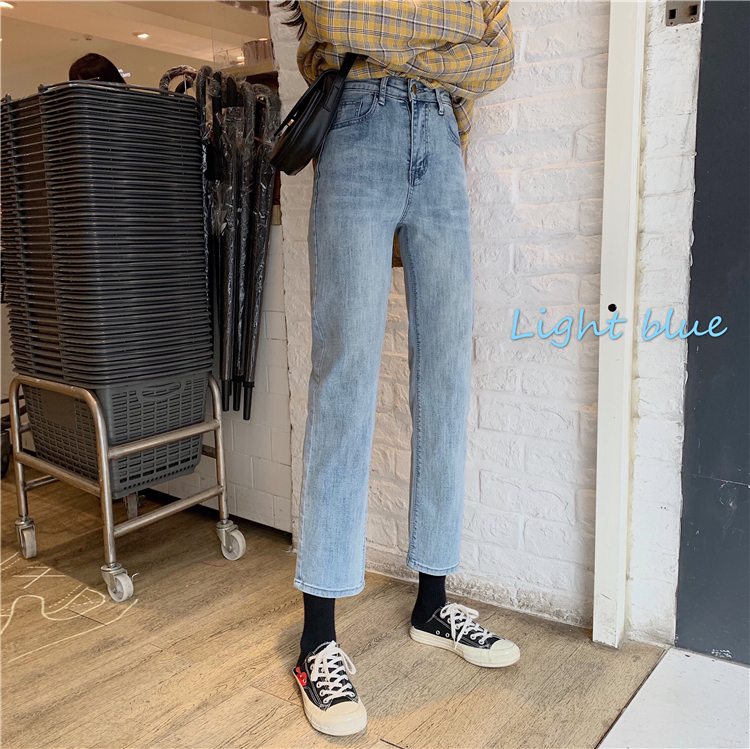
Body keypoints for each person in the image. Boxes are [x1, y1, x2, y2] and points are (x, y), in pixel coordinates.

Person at [283, 1, 518, 736]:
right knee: (343, 380)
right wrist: (447, 30)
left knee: (446, 377)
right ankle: (317, 639)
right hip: (357, 129)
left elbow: (499, 54)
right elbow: (334, 15)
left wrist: (397, 37)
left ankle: (432, 603)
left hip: (442, 142)